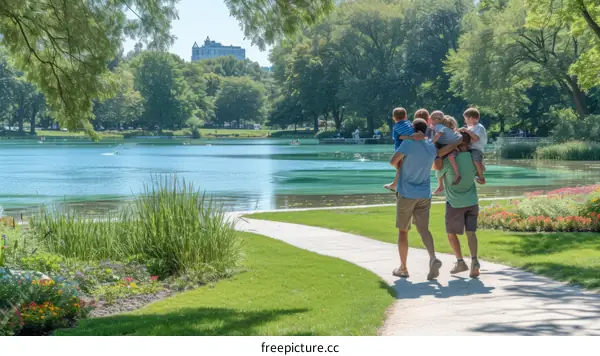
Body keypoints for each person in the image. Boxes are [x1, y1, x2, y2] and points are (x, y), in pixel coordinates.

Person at [389, 118, 442, 280]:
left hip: (406, 193)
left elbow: (392, 162)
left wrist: (402, 164)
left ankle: (403, 268)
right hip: (424, 194)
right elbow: (436, 166)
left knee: (403, 231)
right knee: (424, 229)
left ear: (413, 128)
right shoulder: (431, 147)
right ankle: (433, 257)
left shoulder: (407, 145)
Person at [433, 131, 481, 278]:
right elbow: (481, 171)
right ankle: (474, 260)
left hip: (455, 203)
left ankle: (460, 261)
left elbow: (437, 171)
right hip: (472, 201)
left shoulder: (448, 161)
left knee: (451, 233)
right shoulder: (474, 159)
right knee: (471, 233)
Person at [384, 108, 423, 192]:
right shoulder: (409, 123)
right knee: (401, 167)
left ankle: (395, 184)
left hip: (402, 149)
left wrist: (410, 137)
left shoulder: (397, 126)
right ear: (406, 116)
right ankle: (395, 184)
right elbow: (412, 133)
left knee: (398, 165)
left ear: (394, 117)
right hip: (411, 149)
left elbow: (408, 135)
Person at [430, 111, 462, 191]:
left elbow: (439, 134)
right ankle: (441, 185)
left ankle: (457, 175)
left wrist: (431, 142)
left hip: (454, 143)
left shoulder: (438, 126)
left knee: (443, 159)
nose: (430, 121)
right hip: (452, 144)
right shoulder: (442, 127)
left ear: (436, 120)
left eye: (431, 119)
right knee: (441, 162)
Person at [459, 108, 488, 185]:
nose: (465, 121)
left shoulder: (479, 127)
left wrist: (467, 130)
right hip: (470, 148)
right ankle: (478, 170)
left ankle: (481, 177)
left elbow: (476, 138)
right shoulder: (471, 127)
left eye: (466, 119)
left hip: (476, 148)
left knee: (476, 160)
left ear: (471, 118)